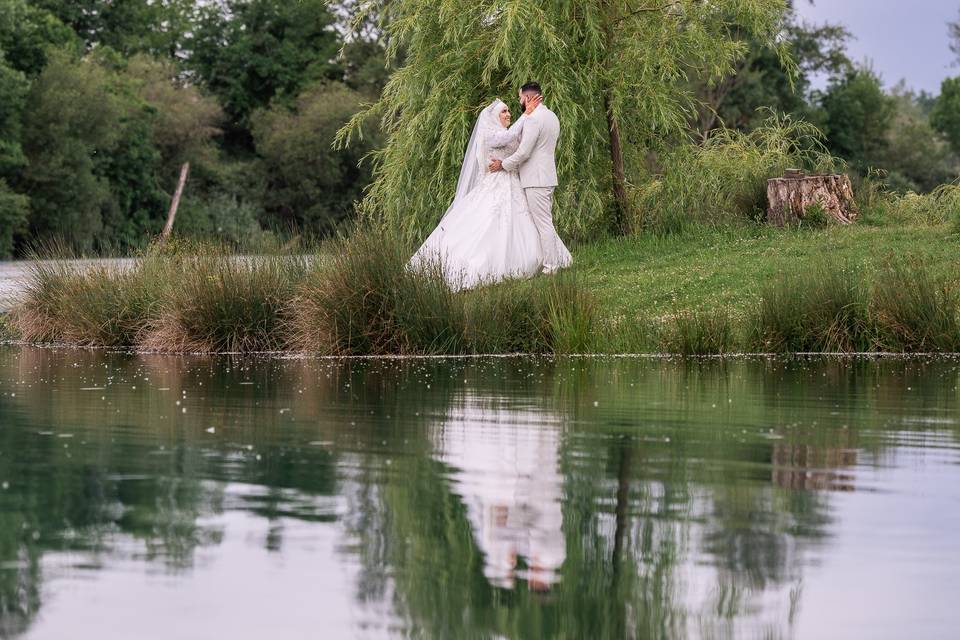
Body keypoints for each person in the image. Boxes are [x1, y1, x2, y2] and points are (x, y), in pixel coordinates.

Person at [489, 82, 572, 274]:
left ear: (527, 98)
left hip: (535, 179)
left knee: (543, 223)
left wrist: (503, 164)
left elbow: (524, 152)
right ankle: (552, 260)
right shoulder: (552, 116)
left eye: (520, 98)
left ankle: (551, 266)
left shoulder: (533, 119)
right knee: (545, 221)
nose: (519, 101)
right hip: (547, 176)